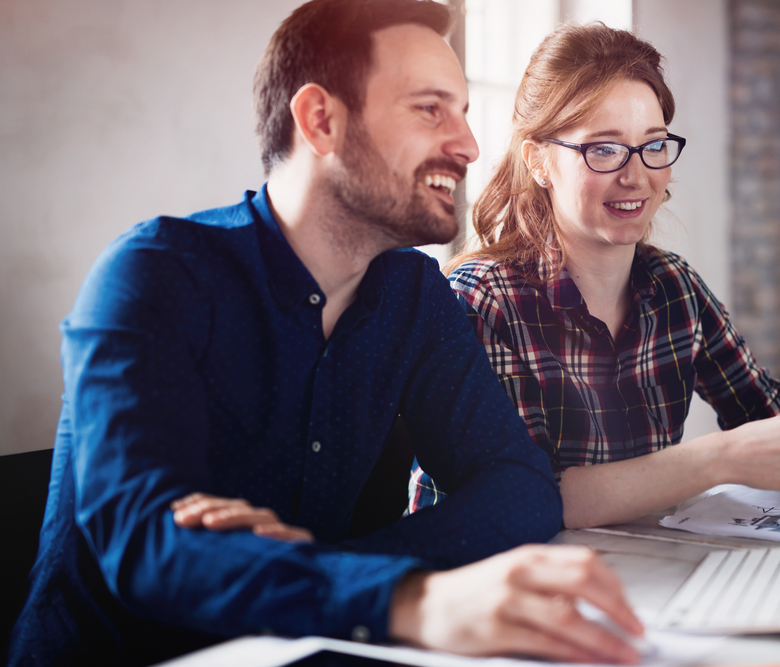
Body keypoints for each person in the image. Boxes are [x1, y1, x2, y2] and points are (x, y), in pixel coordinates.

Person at [7, 3, 645, 665]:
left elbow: (523, 485)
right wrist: (409, 599)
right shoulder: (154, 275)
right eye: (431, 109)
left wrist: (331, 571)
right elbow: (146, 545)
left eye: (462, 111)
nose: (469, 145)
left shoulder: (413, 293)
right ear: (320, 120)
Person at [409, 23, 780, 530]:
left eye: (653, 145)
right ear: (538, 161)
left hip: (635, 573)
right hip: (484, 584)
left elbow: (771, 425)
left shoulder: (675, 287)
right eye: (603, 149)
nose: (636, 176)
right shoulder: (481, 300)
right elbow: (524, 495)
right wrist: (718, 458)